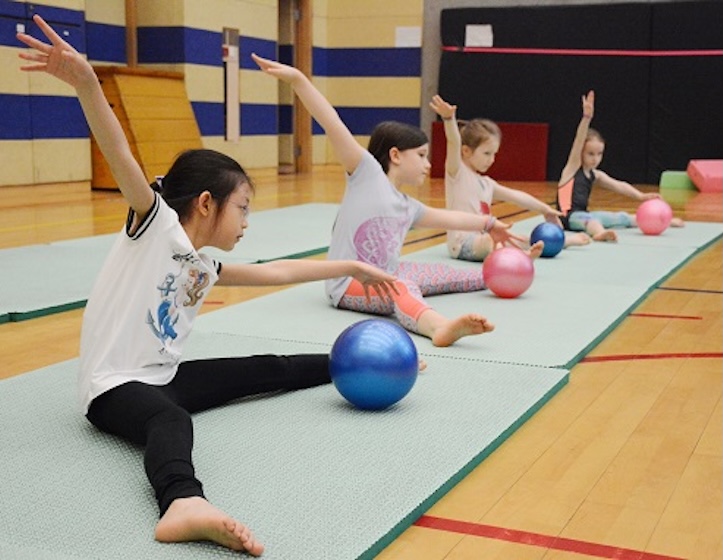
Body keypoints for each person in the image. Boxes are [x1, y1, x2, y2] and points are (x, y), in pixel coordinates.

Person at [17, 15, 403, 557]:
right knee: (170, 420)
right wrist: (85, 82)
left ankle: (345, 365)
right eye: (241, 208)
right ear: (205, 203)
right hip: (111, 389)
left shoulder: (201, 265)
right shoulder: (155, 227)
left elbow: (275, 272)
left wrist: (352, 269)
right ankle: (182, 504)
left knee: (263, 369)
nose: (246, 222)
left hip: (161, 377)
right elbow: (121, 156)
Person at [253, 54, 528, 348]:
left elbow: (448, 218)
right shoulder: (365, 175)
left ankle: (504, 272)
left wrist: (490, 224)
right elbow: (331, 123)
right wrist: (299, 80)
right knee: (402, 287)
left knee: (455, 276)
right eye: (421, 155)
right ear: (396, 155)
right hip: (348, 284)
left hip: (390, 273)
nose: (427, 164)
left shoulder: (407, 206)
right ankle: (438, 327)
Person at [429, 94, 590, 261]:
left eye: (494, 154)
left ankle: (564, 241)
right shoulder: (457, 173)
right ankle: (518, 257)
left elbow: (517, 196)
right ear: (466, 151)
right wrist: (448, 120)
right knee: (494, 241)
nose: (491, 160)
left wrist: (544, 209)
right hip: (463, 244)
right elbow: (453, 143)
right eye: (486, 153)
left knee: (518, 238)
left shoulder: (486, 183)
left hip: (488, 237)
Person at [557, 90, 684, 241]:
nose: (595, 159)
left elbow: (619, 185)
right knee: (592, 221)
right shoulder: (571, 169)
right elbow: (578, 142)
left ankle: (661, 222)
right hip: (567, 217)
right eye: (590, 154)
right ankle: (599, 234)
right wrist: (586, 118)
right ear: (581, 154)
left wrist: (641, 196)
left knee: (620, 217)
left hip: (584, 214)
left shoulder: (595, 174)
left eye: (599, 154)